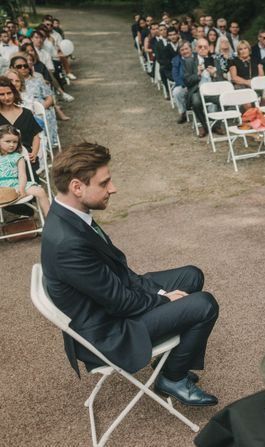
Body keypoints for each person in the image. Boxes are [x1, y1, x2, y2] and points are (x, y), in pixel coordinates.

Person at [41, 142, 220, 406]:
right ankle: (172, 377)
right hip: (108, 331)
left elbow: (119, 272)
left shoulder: (71, 216)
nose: (112, 189)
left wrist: (158, 292)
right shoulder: (67, 242)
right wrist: (164, 300)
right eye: (104, 184)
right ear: (77, 187)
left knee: (191, 276)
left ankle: (170, 361)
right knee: (205, 305)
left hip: (110, 303)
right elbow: (119, 302)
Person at [0, 124, 49, 215]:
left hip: (15, 185)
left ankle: (51, 220)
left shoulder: (18, 157)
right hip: (1, 188)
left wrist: (22, 188)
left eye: (15, 142)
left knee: (40, 191)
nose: (12, 145)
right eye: (8, 141)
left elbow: (22, 174)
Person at [0, 76, 42, 173]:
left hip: (25, 157)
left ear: (14, 93)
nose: (6, 97)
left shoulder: (26, 113)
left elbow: (36, 136)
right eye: (1, 94)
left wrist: (34, 153)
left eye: (9, 93)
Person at [172, 40, 194, 124]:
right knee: (176, 92)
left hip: (196, 84)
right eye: (182, 50)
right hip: (183, 85)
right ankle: (183, 112)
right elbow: (175, 75)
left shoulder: (196, 57)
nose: (185, 51)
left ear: (191, 49)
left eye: (186, 49)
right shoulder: (176, 60)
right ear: (179, 52)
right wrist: (184, 85)